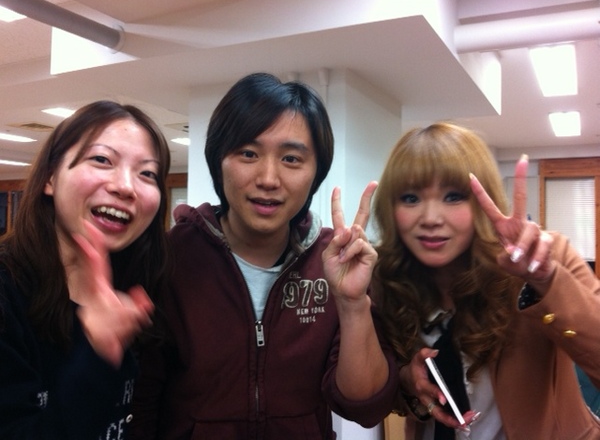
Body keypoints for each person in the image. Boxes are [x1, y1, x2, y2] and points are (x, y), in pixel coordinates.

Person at [130, 72, 398, 439]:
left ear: (315, 172)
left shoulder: (333, 262)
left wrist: (352, 305)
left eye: (291, 158)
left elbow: (364, 408)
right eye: (248, 154)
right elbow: (142, 400)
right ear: (218, 160)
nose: (269, 178)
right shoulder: (171, 258)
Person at [372, 121, 600, 439]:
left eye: (453, 196)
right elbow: (380, 395)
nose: (431, 218)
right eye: (411, 198)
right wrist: (407, 382)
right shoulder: (387, 280)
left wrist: (547, 281)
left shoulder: (546, 258)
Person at [0, 100, 172, 439]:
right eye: (102, 160)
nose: (125, 186)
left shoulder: (142, 287)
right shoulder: (7, 294)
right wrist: (97, 355)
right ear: (50, 177)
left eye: (147, 173)